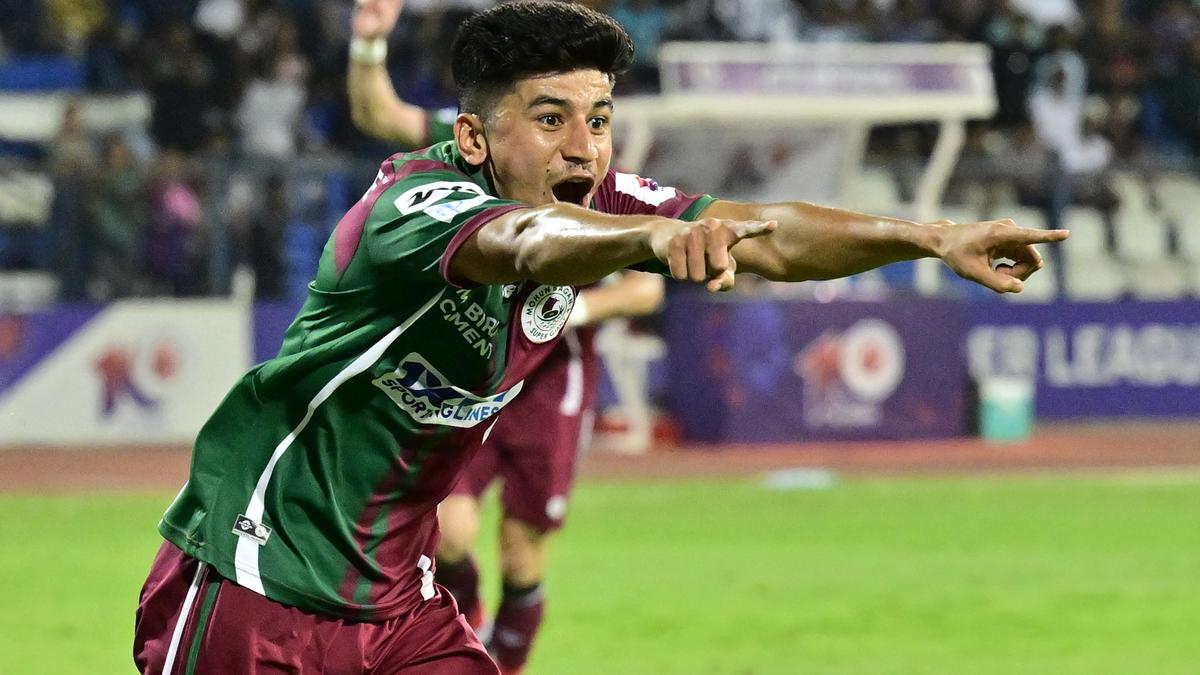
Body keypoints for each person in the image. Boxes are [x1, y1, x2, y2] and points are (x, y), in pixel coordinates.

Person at [133, 3, 1066, 673]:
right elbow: (524, 241)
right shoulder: (412, 206)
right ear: (474, 139)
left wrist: (931, 237)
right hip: (254, 580)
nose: (586, 147)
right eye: (551, 119)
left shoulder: (604, 198)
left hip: (397, 604)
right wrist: (649, 240)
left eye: (601, 119)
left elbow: (766, 233)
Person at [348, 1, 663, 671]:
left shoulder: (597, 172)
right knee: (449, 533)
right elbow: (380, 114)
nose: (579, 136)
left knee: (522, 555)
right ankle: (459, 634)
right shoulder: (494, 128)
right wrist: (369, 45)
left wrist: (571, 313)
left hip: (552, 377)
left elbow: (646, 288)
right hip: (470, 368)